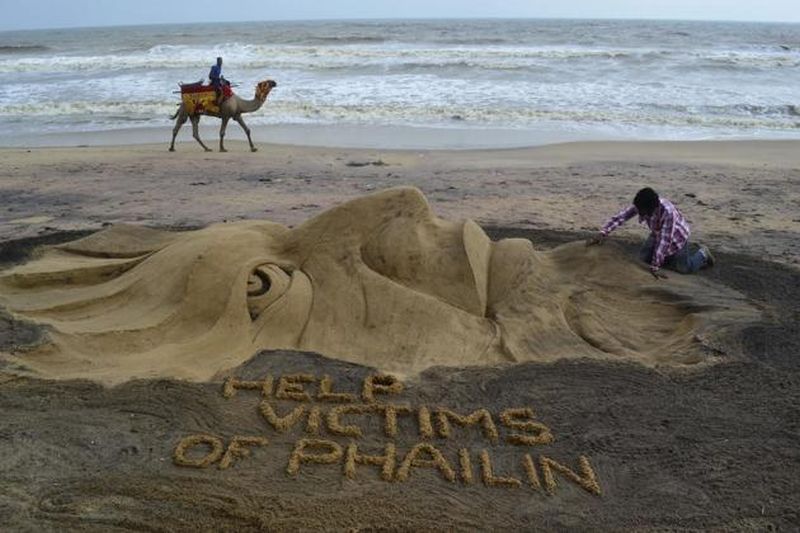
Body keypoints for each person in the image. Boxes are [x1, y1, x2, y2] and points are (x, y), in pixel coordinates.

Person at [587, 187, 714, 279]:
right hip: (657, 231)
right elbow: (621, 217)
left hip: (677, 237)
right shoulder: (643, 203)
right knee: (642, 260)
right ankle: (665, 260)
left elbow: (665, 241)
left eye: (642, 211)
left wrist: (655, 267)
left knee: (684, 269)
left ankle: (703, 254)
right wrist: (603, 233)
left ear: (652, 208)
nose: (640, 213)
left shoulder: (668, 212)